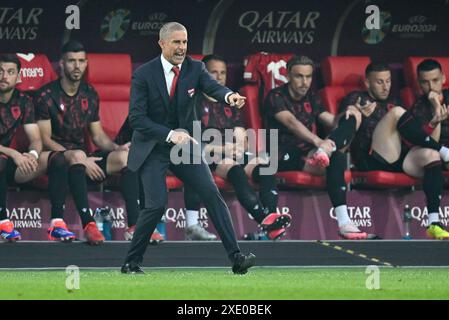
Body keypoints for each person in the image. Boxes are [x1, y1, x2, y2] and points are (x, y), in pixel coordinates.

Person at [121, 22, 255, 274]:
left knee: (211, 193)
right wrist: (171, 135)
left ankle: (236, 257)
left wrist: (229, 96)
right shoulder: (144, 74)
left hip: (185, 146)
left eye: (184, 42)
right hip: (153, 146)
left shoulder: (196, 68)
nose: (182, 47)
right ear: (162, 43)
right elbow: (137, 119)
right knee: (156, 205)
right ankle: (131, 262)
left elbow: (213, 87)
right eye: (176, 42)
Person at [35, 40, 141, 245]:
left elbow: (98, 136)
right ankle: (89, 224)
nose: (77, 66)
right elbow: (45, 139)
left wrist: (117, 147)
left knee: (126, 157)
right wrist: (81, 159)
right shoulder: (46, 95)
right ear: (62, 64)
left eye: (81, 61)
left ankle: (135, 226)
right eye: (72, 61)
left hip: (83, 158)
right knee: (76, 155)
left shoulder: (89, 93)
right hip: (56, 161)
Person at [183, 54, 291, 241]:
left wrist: (238, 146)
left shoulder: (229, 101)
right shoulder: (192, 101)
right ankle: (265, 221)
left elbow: (241, 133)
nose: (219, 77)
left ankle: (272, 215)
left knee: (265, 167)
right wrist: (224, 149)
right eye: (213, 72)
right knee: (234, 169)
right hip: (204, 155)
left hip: (231, 153)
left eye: (223, 73)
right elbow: (190, 141)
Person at [339, 61, 449, 240]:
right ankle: (444, 151)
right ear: (367, 83)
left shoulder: (395, 100)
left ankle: (434, 222)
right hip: (371, 157)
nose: (385, 87)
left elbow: (417, 137)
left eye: (388, 81)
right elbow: (341, 124)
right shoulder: (356, 98)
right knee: (397, 112)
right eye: (379, 82)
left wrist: (435, 120)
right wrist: (356, 112)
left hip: (397, 155)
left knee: (431, 155)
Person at [264, 55, 366, 239]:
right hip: (282, 155)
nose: (305, 82)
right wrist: (320, 142)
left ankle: (344, 223)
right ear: (288, 75)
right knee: (336, 156)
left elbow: (331, 120)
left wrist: (349, 116)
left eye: (309, 77)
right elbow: (292, 123)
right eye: (299, 76)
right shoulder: (275, 96)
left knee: (351, 119)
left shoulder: (312, 97)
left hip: (311, 153)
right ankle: (343, 221)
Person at [0, 54, 76, 242]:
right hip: (5, 158)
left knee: (57, 158)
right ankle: (2, 223)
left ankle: (56, 223)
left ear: (18, 77)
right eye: (0, 71)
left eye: (10, 72)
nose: (4, 76)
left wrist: (33, 155)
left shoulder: (23, 101)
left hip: (9, 164)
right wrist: (14, 154)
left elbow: (35, 138)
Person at [406, 59, 449, 239]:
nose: (431, 86)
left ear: (444, 78)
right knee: (434, 154)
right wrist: (435, 109)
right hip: (437, 156)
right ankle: (434, 222)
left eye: (435, 80)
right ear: (419, 83)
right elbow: (429, 142)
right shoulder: (418, 107)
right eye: (425, 82)